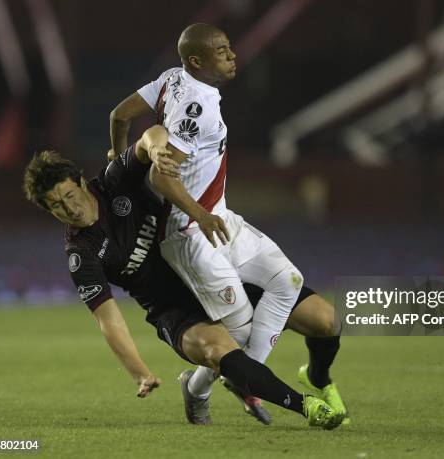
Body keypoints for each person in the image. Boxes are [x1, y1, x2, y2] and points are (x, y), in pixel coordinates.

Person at [22, 125, 344, 430]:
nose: (70, 208)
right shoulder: (81, 254)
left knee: (327, 321)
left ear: (79, 180)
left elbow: (151, 135)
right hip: (173, 309)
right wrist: (139, 372)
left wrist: (157, 148)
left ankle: (311, 377)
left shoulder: (113, 182)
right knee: (220, 351)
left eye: (69, 195)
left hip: (209, 269)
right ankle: (307, 407)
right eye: (56, 207)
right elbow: (109, 320)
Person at [109, 23, 350, 425]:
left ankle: (242, 381)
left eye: (229, 47)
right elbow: (163, 176)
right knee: (235, 338)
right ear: (197, 61)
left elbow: (119, 115)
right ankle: (198, 387)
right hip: (190, 234)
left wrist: (119, 163)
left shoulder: (173, 79)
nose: (232, 54)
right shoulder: (195, 108)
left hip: (220, 219)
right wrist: (199, 214)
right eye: (222, 51)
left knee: (287, 281)